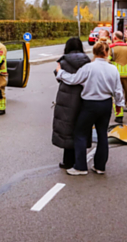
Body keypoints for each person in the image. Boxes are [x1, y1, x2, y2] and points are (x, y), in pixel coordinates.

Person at [55, 42, 125, 175]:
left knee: (80, 133)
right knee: (102, 134)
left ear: (94, 52)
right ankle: (100, 166)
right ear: (107, 53)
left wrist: (60, 72)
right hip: (106, 104)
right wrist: (119, 105)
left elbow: (73, 79)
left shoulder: (89, 67)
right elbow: (118, 90)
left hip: (90, 105)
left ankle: (80, 167)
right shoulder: (113, 69)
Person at [52, 37, 91, 169]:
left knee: (66, 128)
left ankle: (67, 161)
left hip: (66, 98)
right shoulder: (87, 61)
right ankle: (79, 160)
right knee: (81, 129)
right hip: (83, 97)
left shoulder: (63, 61)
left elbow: (58, 77)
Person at [108, 31, 127, 122]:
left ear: (115, 38)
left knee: (116, 95)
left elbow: (108, 60)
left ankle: (119, 116)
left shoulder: (111, 48)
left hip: (115, 75)